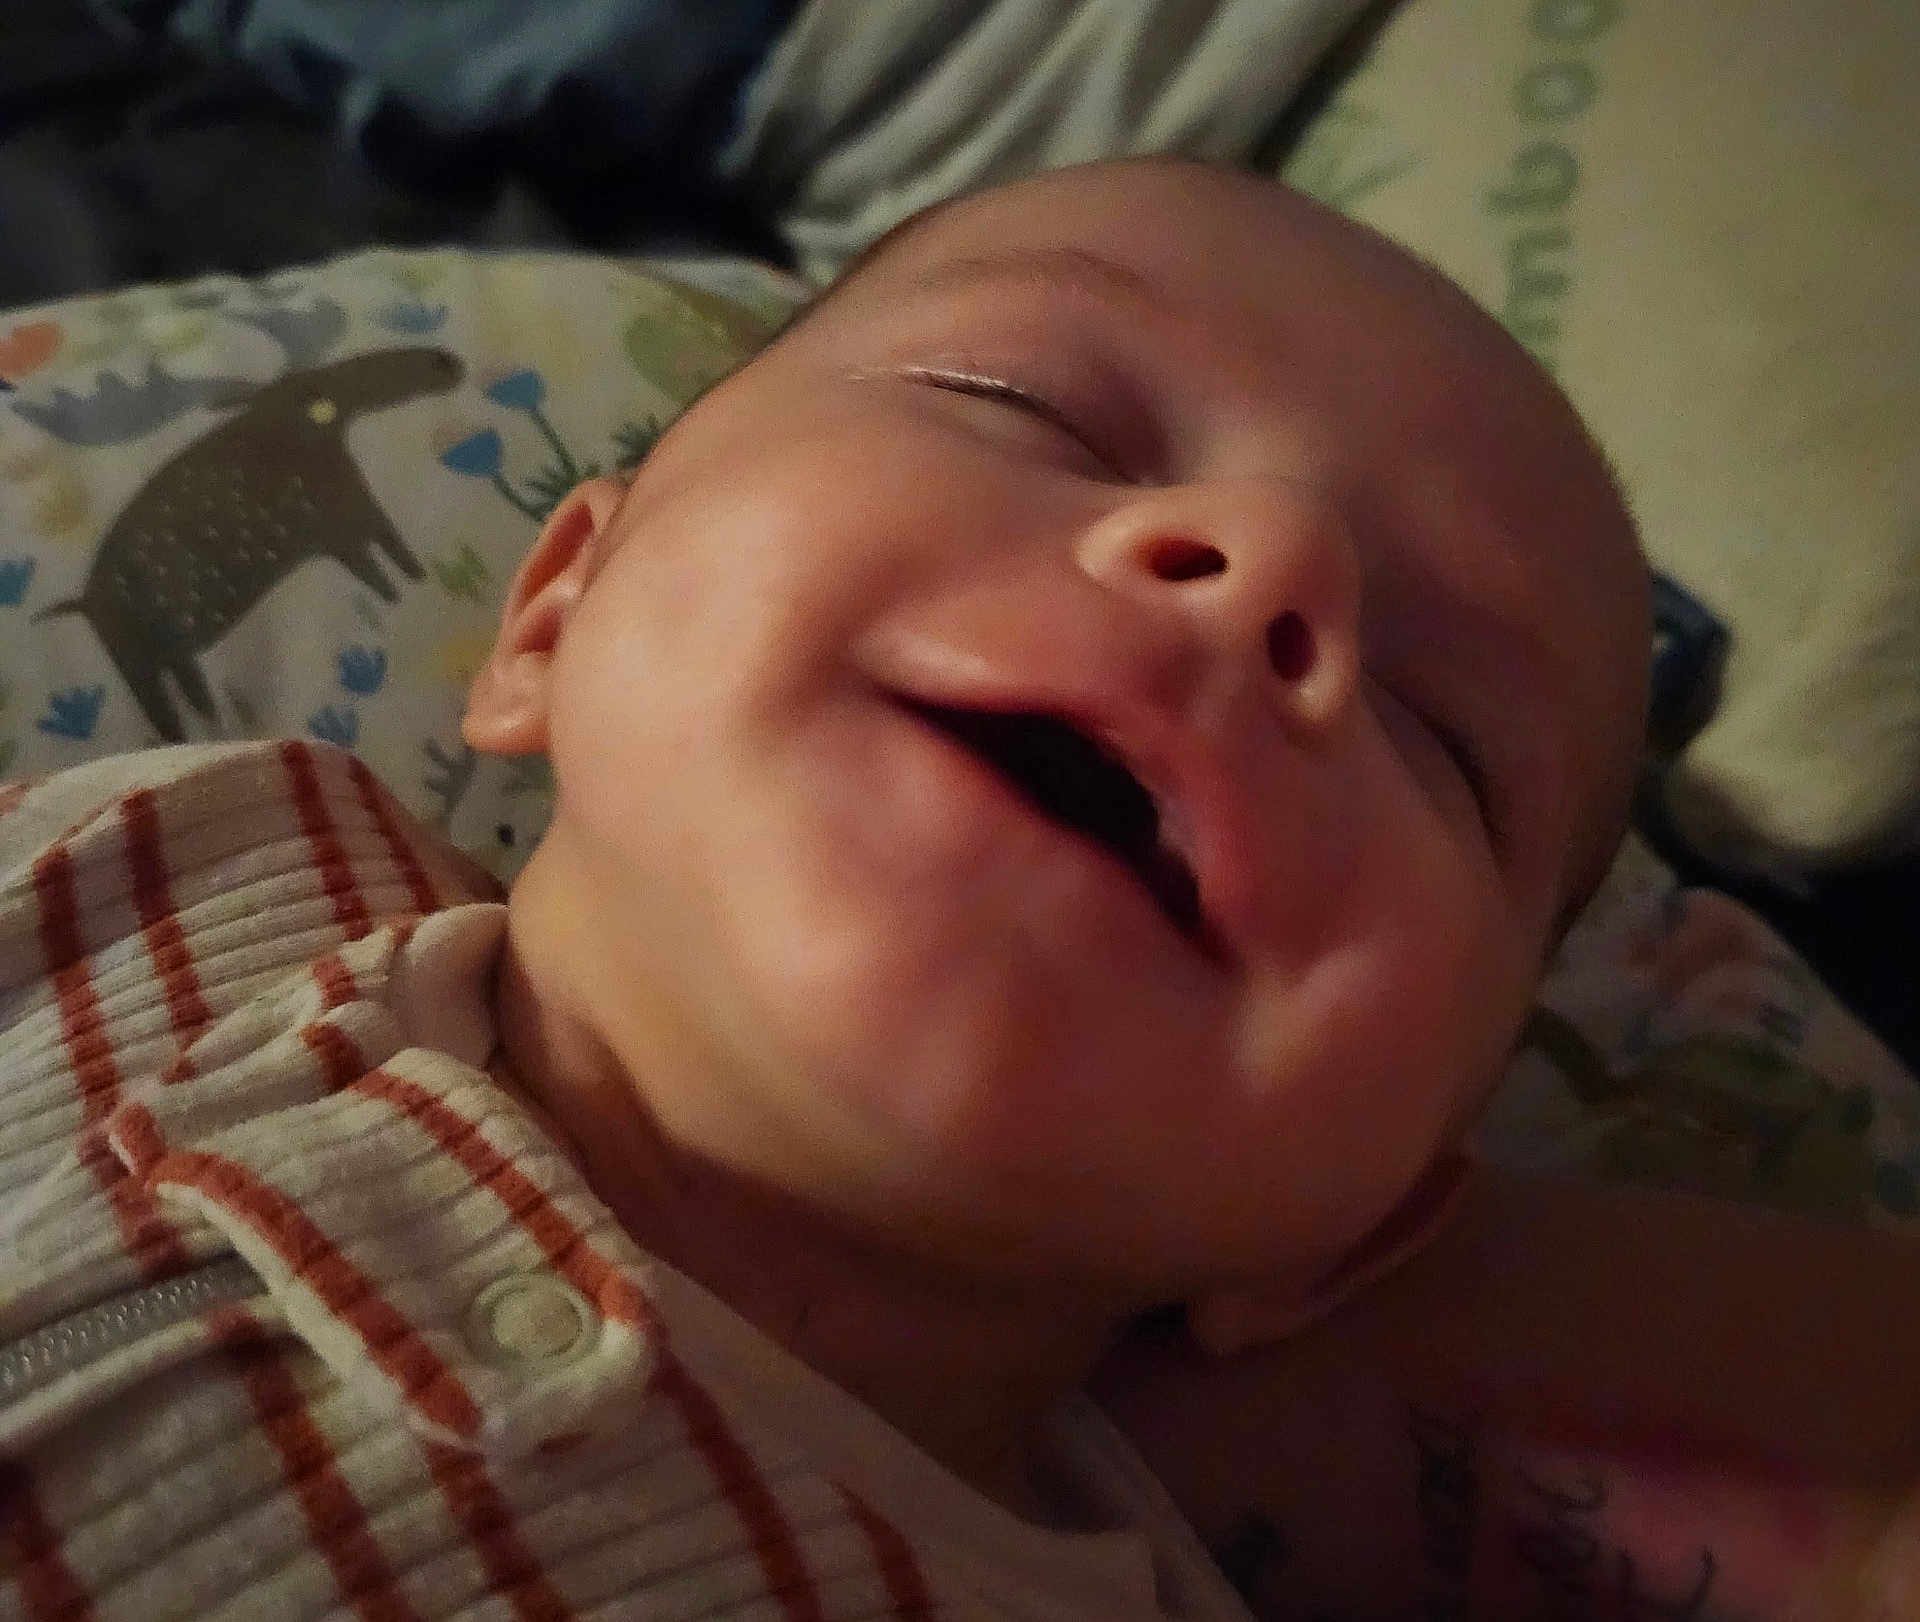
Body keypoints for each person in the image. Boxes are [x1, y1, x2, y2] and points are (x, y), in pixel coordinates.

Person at [0, 158, 1911, 1620]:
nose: (1261, 571)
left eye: (1443, 734)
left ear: (1352, 1232)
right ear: (555, 610)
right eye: (1024, 401)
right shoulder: (185, 840)